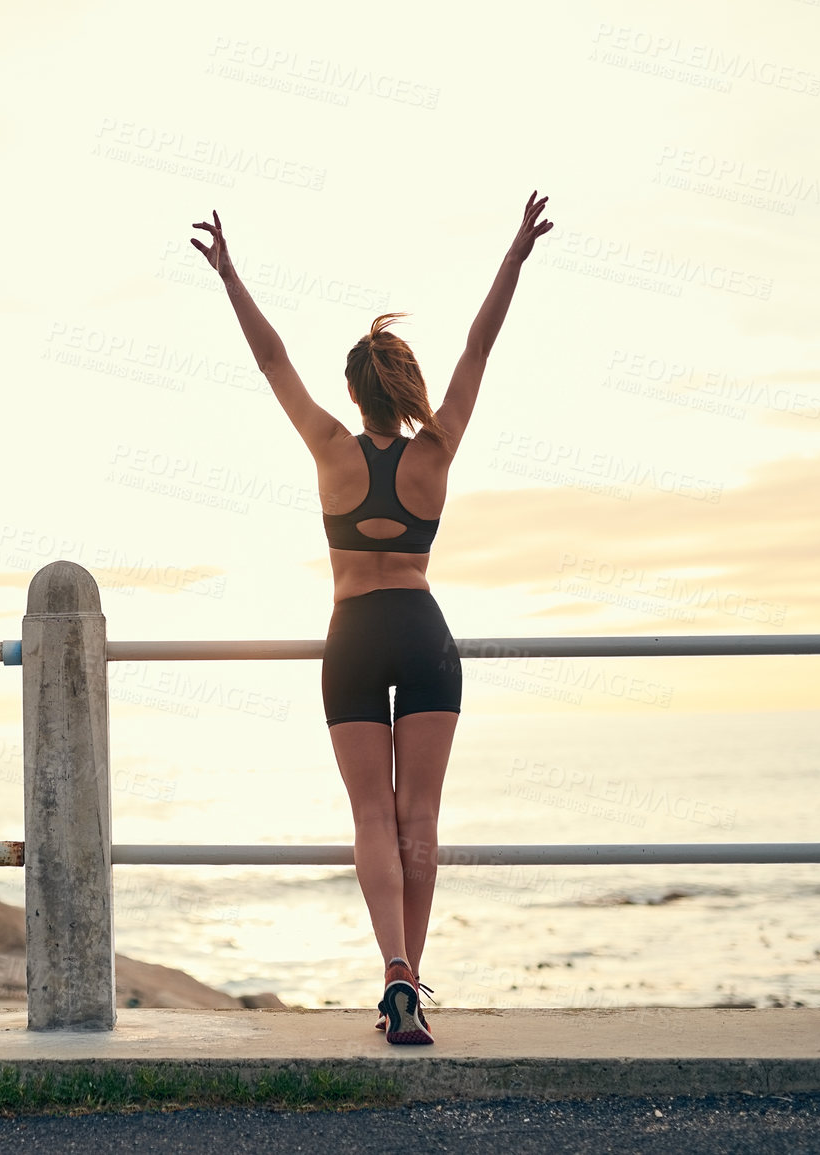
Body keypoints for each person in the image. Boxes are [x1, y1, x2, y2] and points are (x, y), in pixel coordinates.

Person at [191, 192, 553, 1044]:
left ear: (352, 393)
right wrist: (512, 259)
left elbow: (271, 360)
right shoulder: (436, 451)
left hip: (351, 637)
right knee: (418, 818)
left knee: (368, 818)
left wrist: (230, 276)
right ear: (405, 388)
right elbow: (478, 346)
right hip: (423, 635)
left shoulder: (328, 449)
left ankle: (391, 967)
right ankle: (411, 987)